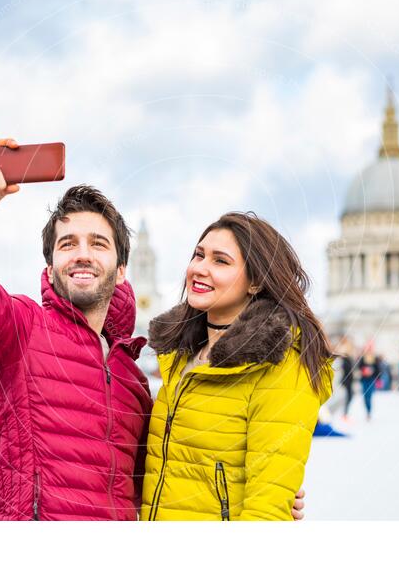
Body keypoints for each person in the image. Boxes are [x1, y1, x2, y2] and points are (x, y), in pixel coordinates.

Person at [0, 138, 306, 520]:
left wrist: (267, 490)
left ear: (121, 270)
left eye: (98, 244)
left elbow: (166, 473)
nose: (83, 254)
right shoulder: (18, 331)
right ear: (49, 268)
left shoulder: (132, 378)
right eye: (67, 244)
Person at [141, 212, 334, 520]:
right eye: (199, 255)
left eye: (221, 261)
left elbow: (266, 511)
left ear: (256, 282)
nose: (200, 268)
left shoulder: (281, 366)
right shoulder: (180, 359)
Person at [358, 346, 379, 421]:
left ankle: (369, 412)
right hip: (364, 380)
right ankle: (367, 411)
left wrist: (372, 372)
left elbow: (378, 370)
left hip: (371, 380)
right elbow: (359, 367)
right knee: (365, 396)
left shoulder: (375, 359)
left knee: (369, 396)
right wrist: (364, 371)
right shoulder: (362, 359)